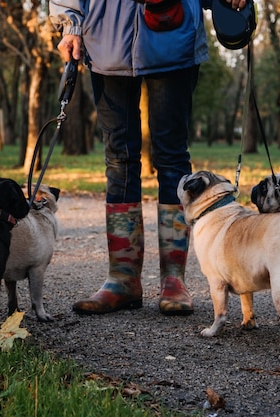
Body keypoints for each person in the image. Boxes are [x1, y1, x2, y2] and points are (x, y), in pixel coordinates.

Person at [49, 0, 248, 316]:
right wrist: (70, 22)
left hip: (175, 35)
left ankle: (174, 281)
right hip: (105, 40)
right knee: (118, 158)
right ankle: (122, 279)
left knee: (171, 156)